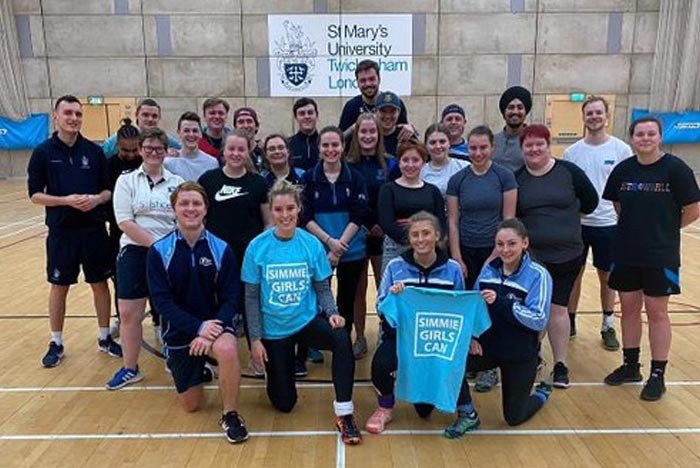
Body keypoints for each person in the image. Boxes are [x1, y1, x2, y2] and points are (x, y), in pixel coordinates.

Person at [242, 179, 362, 445]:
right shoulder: (257, 247)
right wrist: (255, 340)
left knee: (341, 338)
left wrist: (331, 311)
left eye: (290, 209)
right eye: (279, 210)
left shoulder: (310, 244)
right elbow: (250, 297)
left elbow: (321, 286)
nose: (285, 215)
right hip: (274, 330)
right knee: (284, 403)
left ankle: (345, 413)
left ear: (298, 209)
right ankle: (277, 374)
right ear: (271, 211)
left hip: (305, 321)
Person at [602, 116, 700, 401]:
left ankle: (658, 374)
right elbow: (617, 204)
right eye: (640, 134)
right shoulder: (623, 170)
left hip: (661, 254)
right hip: (626, 251)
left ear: (659, 137)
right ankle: (631, 366)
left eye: (651, 134)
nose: (645, 138)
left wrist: (667, 229)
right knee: (629, 309)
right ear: (632, 138)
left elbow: (693, 208)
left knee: (657, 312)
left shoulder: (676, 169)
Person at [366, 211, 484, 438]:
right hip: (403, 337)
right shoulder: (395, 268)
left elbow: (460, 307)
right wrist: (393, 296)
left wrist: (470, 337)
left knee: (452, 364)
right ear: (409, 239)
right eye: (415, 235)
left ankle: (467, 411)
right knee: (381, 364)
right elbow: (381, 306)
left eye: (426, 233)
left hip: (437, 340)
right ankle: (385, 407)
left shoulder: (452, 269)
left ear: (438, 236)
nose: (421, 239)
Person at [147, 181, 248, 443]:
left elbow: (231, 297)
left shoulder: (221, 248)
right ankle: (201, 368)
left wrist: (210, 329)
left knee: (227, 348)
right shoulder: (159, 251)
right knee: (191, 406)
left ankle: (230, 414)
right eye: (184, 203)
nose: (190, 208)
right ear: (174, 209)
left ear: (205, 209)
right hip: (181, 333)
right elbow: (162, 302)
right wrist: (197, 328)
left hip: (215, 328)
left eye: (196, 203)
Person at [28, 95, 121, 367]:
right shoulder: (43, 152)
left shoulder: (93, 152)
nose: (74, 118)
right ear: (56, 116)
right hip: (62, 233)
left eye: (78, 114)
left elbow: (107, 191)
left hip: (93, 231)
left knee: (100, 284)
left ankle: (104, 337)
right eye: (68, 113)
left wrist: (96, 199)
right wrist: (65, 200)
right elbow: (34, 195)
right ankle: (56, 342)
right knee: (59, 286)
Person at [515, 124, 598, 388]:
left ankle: (560, 364)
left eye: (540, 144)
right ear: (522, 149)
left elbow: (590, 202)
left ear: (548, 145)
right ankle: (532, 356)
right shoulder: (517, 179)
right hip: (533, 259)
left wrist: (564, 224)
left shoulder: (569, 172)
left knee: (557, 309)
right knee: (535, 309)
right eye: (529, 145)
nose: (535, 149)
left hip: (568, 255)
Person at [106, 127, 185, 389]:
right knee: (129, 313)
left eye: (158, 149)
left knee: (170, 311)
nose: (153, 153)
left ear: (165, 152)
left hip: (169, 253)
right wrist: (155, 246)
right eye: (148, 148)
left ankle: (175, 360)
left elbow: (182, 218)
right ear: (141, 150)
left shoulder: (176, 183)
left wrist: (168, 249)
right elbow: (124, 221)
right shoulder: (126, 181)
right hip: (135, 252)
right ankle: (130, 368)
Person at [446, 125, 517, 393]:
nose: (477, 153)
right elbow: (453, 220)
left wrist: (495, 255)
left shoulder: (504, 177)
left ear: (492, 148)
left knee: (491, 308)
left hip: (496, 252)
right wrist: (457, 257)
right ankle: (470, 361)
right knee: (467, 308)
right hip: (465, 250)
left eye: (483, 147)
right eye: (473, 148)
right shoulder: (459, 179)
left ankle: (490, 367)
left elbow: (508, 220)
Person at [563, 96, 633, 349]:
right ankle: (569, 321)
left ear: (607, 116)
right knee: (574, 275)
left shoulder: (621, 150)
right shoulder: (572, 153)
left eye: (598, 113)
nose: (593, 117)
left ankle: (607, 324)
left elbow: (625, 189)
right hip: (579, 225)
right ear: (583, 117)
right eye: (589, 113)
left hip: (609, 224)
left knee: (608, 276)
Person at [471, 218, 554, 425]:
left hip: (519, 352)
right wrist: (472, 336)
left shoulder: (539, 275)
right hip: (487, 347)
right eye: (500, 244)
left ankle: (541, 394)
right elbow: (472, 306)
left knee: (514, 418)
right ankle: (466, 411)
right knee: (449, 363)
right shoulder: (488, 270)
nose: (505, 250)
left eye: (511, 244)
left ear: (524, 243)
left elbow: (539, 320)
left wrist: (504, 303)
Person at [301, 126, 369, 342]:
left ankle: (343, 344)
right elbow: (305, 216)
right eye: (325, 145)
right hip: (319, 251)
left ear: (343, 147)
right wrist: (330, 243)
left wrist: (339, 247)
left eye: (335, 145)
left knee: (346, 300)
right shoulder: (310, 178)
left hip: (352, 250)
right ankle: (318, 343)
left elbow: (359, 215)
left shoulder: (356, 177)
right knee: (319, 299)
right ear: (319, 148)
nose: (330, 149)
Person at [346, 113, 396, 359]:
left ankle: (385, 335)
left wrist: (383, 225)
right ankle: (360, 336)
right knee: (358, 288)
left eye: (372, 132)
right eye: (362, 132)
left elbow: (397, 198)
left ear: (379, 135)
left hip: (383, 235)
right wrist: (361, 225)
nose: (367, 136)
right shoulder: (347, 164)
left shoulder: (390, 164)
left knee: (384, 287)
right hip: (357, 234)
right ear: (356, 135)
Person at [198, 129, 270, 270]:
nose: (236, 154)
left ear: (248, 152)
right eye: (231, 149)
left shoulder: (259, 183)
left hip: (248, 257)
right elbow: (199, 218)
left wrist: (259, 250)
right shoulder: (208, 179)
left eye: (241, 149)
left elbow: (269, 223)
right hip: (215, 255)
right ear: (224, 151)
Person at [378, 139, 446, 273]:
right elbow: (387, 224)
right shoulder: (388, 190)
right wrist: (417, 237)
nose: (410, 165)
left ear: (423, 162)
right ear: (399, 162)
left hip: (428, 251)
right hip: (395, 248)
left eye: (415, 160)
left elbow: (441, 224)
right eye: (405, 160)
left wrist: (422, 241)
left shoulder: (433, 191)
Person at [105, 118, 142, 337]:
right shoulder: (109, 166)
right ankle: (121, 318)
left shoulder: (144, 163)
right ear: (117, 145)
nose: (130, 154)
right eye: (124, 150)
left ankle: (158, 320)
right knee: (120, 277)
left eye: (134, 149)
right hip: (118, 231)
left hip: (146, 230)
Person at [338, 59, 408, 136]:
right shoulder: (351, 106)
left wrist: (410, 129)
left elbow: (405, 130)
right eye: (363, 80)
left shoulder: (395, 103)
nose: (368, 84)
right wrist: (354, 128)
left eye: (371, 79)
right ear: (357, 83)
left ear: (379, 79)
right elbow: (341, 139)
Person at [102, 98, 181, 158]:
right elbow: (100, 155)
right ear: (136, 115)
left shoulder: (167, 140)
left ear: (159, 118)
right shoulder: (118, 139)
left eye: (154, 116)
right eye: (145, 115)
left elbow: (183, 152)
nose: (150, 119)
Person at [164, 112, 219, 182]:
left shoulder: (212, 163)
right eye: (186, 131)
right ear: (179, 133)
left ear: (201, 134)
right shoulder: (168, 163)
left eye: (195, 131)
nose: (191, 134)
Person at [421, 123, 469, 198]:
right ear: (426, 146)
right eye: (433, 142)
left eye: (442, 141)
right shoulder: (420, 171)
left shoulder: (464, 168)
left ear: (449, 143)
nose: (438, 146)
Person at [492, 86, 532, 172]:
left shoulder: (534, 141)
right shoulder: (493, 141)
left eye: (520, 107)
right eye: (511, 107)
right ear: (504, 112)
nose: (515, 112)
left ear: (526, 111)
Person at [375, 91, 417, 157]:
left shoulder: (406, 134)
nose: (387, 116)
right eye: (383, 111)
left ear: (399, 112)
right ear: (375, 112)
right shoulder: (369, 135)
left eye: (392, 111)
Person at [288, 97, 320, 171]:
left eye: (310, 113)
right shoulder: (288, 145)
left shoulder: (326, 144)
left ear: (317, 115)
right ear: (296, 117)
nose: (307, 116)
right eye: (302, 113)